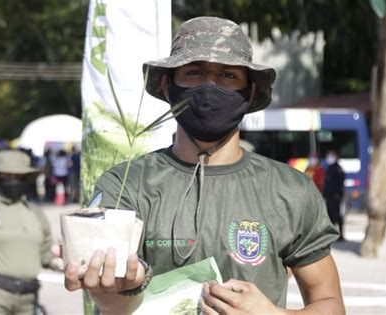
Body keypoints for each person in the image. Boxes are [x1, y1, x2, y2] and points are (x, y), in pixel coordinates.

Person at [60, 16, 345, 314]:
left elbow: (330, 304)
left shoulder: (291, 190)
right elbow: (114, 298)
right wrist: (111, 294)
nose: (210, 86)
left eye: (228, 75)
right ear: (168, 86)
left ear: (249, 92)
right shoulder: (127, 184)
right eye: (194, 72)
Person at [0, 150, 62, 314]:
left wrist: (59, 262)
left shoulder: (35, 213)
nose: (13, 181)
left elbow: (45, 253)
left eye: (19, 177)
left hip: (28, 300)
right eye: (7, 176)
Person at [323, 149, 346, 241]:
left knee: (336, 215)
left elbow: (340, 183)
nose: (329, 158)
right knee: (330, 216)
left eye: (331, 155)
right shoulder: (329, 168)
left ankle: (340, 235)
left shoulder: (337, 168)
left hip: (335, 196)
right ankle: (332, 235)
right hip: (329, 196)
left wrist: (338, 194)